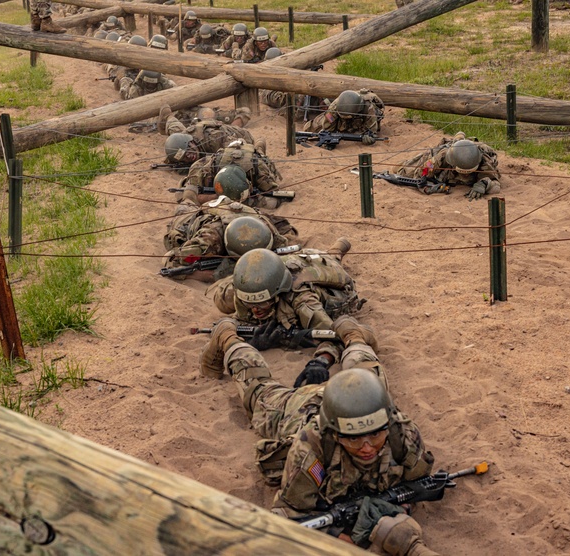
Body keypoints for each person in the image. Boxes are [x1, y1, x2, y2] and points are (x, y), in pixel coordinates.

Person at [198, 320, 438, 554]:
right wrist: (340, 538)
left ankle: (352, 335)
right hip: (299, 408)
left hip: (359, 399)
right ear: (335, 435)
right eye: (353, 439)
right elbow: (289, 512)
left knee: (367, 374)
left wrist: (402, 505)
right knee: (258, 388)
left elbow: (419, 482)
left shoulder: (401, 434)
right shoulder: (310, 448)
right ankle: (228, 337)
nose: (367, 448)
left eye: (375, 436)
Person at [208, 245, 368, 385]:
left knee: (332, 258)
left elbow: (335, 335)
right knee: (224, 301)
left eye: (263, 303)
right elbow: (239, 318)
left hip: (322, 268)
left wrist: (321, 361)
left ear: (277, 294)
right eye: (250, 304)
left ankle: (337, 251)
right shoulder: (245, 293)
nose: (255, 310)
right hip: (290, 261)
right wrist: (255, 341)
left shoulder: (303, 301)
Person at [163, 173, 298, 282]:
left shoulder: (268, 230)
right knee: (184, 206)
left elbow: (288, 242)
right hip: (199, 217)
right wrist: (212, 275)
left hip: (233, 209)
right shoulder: (210, 239)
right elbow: (171, 259)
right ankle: (190, 193)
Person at [179, 140, 284, 209]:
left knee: (261, 154)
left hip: (254, 160)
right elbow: (185, 195)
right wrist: (216, 197)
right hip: (224, 157)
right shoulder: (209, 167)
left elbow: (275, 198)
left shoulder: (258, 169)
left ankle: (258, 147)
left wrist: (249, 199)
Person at [396, 132, 502, 200]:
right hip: (442, 157)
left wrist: (484, 184)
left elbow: (495, 183)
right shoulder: (442, 157)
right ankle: (458, 138)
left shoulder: (483, 161)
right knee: (402, 171)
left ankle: (460, 138)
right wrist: (429, 188)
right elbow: (421, 173)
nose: (465, 175)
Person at [158, 104, 254, 171]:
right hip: (196, 134)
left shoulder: (215, 139)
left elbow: (238, 148)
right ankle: (168, 117)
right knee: (176, 132)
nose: (190, 156)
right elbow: (175, 155)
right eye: (185, 157)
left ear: (191, 143)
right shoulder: (184, 139)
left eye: (189, 151)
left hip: (239, 135)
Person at [303, 89, 385, 145]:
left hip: (359, 120)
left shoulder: (368, 108)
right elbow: (327, 128)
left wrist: (369, 138)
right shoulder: (333, 108)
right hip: (338, 119)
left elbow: (372, 131)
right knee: (315, 126)